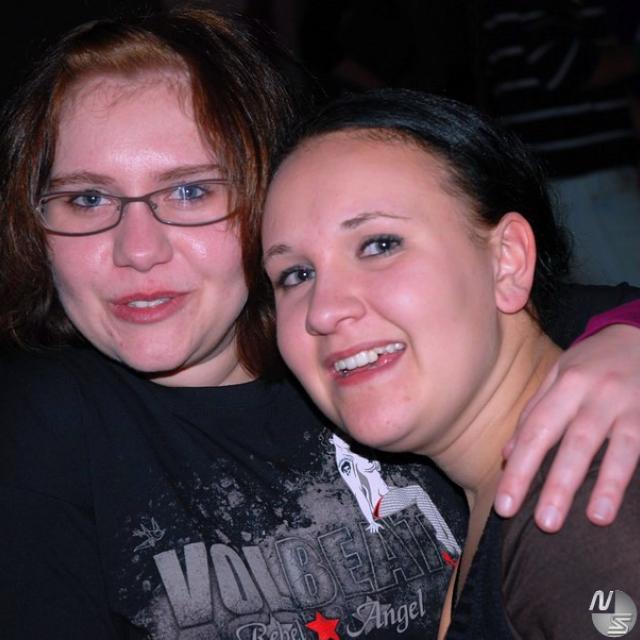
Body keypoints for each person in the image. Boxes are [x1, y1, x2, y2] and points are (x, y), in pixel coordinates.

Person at [0, 8, 639, 639]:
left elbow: (538, 301)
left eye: (191, 191)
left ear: (265, 198)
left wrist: (626, 336)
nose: (137, 250)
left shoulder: (390, 350)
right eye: (87, 198)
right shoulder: (43, 429)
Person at [261, 87, 640, 639]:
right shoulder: (497, 501)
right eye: (295, 275)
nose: (323, 311)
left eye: (379, 245)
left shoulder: (580, 509)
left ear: (507, 261)